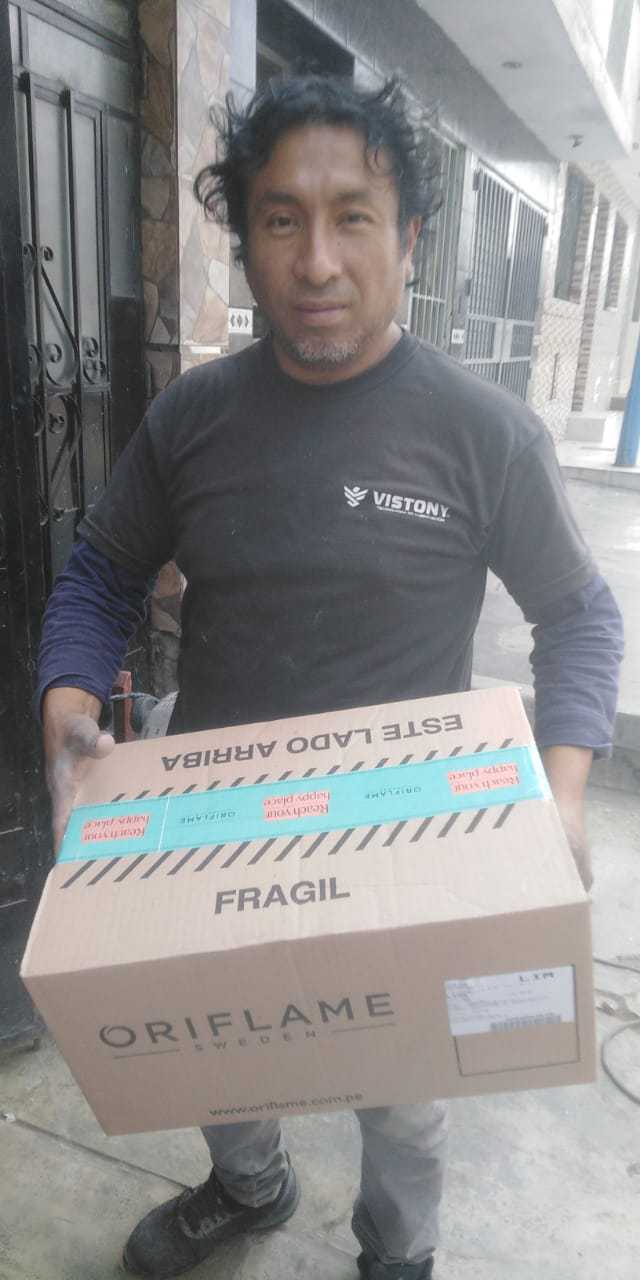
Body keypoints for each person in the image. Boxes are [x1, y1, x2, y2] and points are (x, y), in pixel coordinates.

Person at [38, 74, 623, 1280]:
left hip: (408, 833)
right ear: (246, 241)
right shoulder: (194, 419)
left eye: (352, 216)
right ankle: (249, 1183)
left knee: (405, 1096)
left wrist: (558, 795)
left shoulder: (483, 434)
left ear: (408, 240)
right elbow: (99, 572)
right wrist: (69, 703)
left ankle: (395, 1252)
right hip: (212, 825)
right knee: (215, 1048)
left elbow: (577, 616)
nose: (315, 259)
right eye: (280, 218)